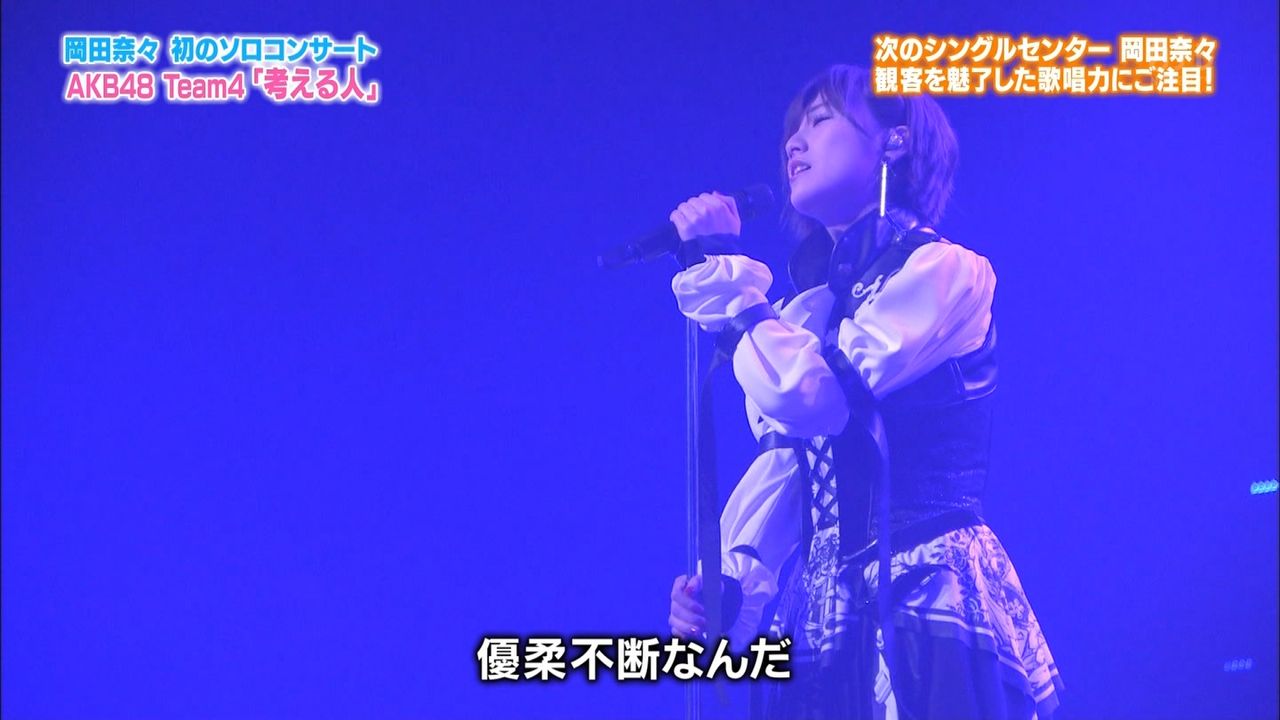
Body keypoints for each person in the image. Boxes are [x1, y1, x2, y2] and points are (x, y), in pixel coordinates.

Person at [664, 64, 1064, 719]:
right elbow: (788, 467)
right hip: (822, 612)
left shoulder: (945, 272)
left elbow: (816, 397)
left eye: (821, 120)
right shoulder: (803, 314)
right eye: (792, 129)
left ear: (893, 141)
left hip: (923, 592)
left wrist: (727, 283)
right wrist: (734, 586)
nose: (794, 142)